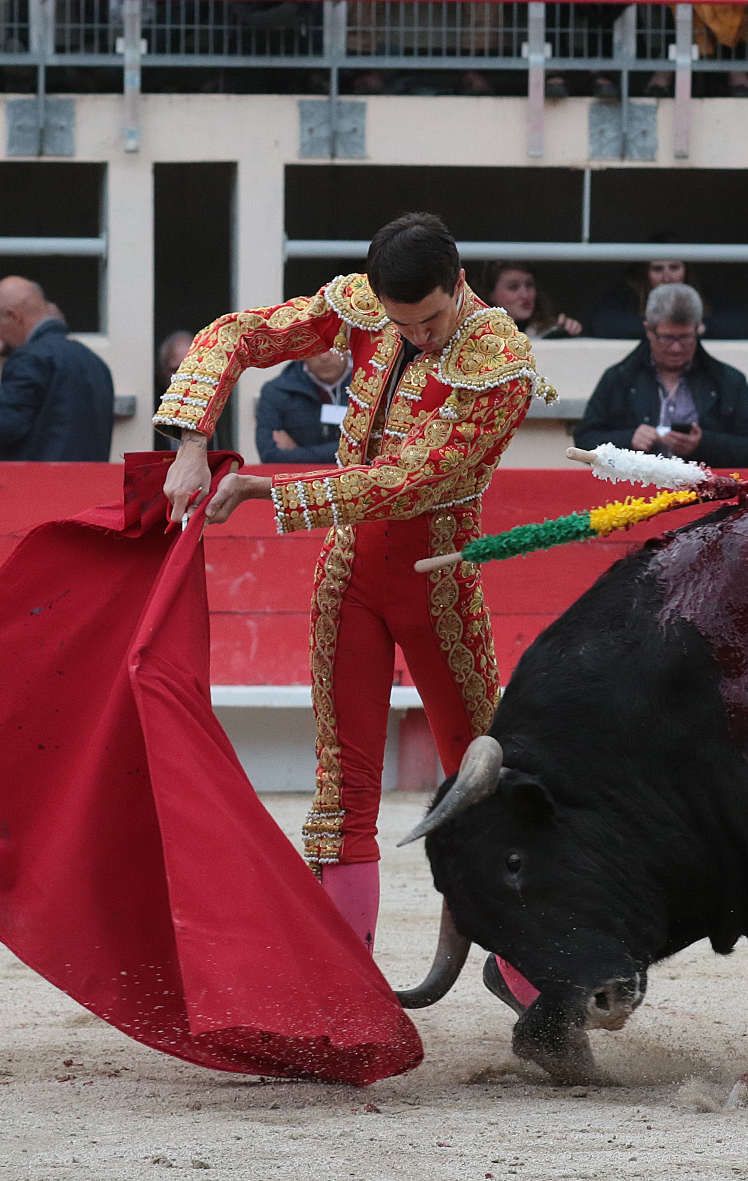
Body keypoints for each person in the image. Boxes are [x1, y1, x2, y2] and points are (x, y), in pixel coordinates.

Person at [155, 212, 554, 958]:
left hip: (437, 581)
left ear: (459, 284)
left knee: (483, 775)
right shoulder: (369, 308)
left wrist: (267, 493)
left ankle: (539, 982)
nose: (419, 339)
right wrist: (190, 442)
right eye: (403, 324)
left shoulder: (501, 359)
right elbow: (237, 333)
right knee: (342, 795)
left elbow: (410, 482)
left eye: (431, 321)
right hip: (349, 576)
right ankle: (343, 995)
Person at [574, 283, 748, 468]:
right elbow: (583, 442)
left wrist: (703, 444)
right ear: (649, 330)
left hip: (704, 493)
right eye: (667, 338)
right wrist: (628, 439)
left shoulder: (729, 380)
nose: (676, 348)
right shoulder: (618, 377)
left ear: (698, 329)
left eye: (685, 338)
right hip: (632, 495)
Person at [0, 277, 113, 462]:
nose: (0, 336)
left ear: (14, 316)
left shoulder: (30, 358)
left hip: (41, 486)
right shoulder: (95, 362)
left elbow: (3, 426)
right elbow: (57, 432)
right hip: (91, 485)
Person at [588, 255, 748, 340]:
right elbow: (602, 323)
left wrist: (697, 328)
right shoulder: (630, 296)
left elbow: (747, 323)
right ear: (645, 274)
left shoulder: (702, 295)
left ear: (686, 271)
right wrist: (660, 329)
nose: (667, 277)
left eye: (674, 267)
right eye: (658, 269)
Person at [255, 351, 353, 463]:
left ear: (347, 344)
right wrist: (347, 451)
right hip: (298, 479)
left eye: (333, 347)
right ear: (302, 349)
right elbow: (269, 455)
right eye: (316, 348)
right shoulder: (276, 391)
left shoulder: (371, 385)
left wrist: (296, 452)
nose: (324, 356)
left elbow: (372, 449)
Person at [477, 260, 582, 339]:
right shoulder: (479, 335)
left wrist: (571, 332)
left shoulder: (551, 330)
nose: (525, 294)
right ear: (491, 294)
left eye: (529, 285)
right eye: (513, 287)